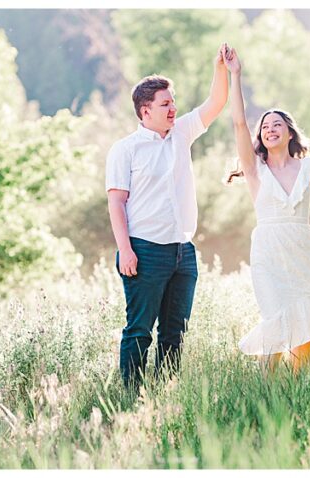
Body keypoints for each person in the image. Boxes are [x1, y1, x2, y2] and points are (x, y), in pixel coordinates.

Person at [222, 46, 310, 373]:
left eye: (277, 125)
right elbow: (239, 123)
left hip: (302, 252)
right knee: (275, 317)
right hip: (269, 252)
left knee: (304, 322)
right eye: (266, 126)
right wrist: (236, 74)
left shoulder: (308, 168)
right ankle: (265, 388)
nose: (270, 129)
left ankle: (297, 387)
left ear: (289, 132)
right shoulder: (255, 168)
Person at [105, 45, 229, 390]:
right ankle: (131, 394)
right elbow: (116, 203)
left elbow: (216, 103)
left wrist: (220, 67)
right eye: (165, 104)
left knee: (175, 332)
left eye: (173, 102)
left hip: (183, 252)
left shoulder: (181, 134)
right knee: (139, 330)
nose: (173, 108)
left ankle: (166, 392)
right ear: (145, 110)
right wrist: (125, 250)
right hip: (144, 251)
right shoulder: (125, 149)